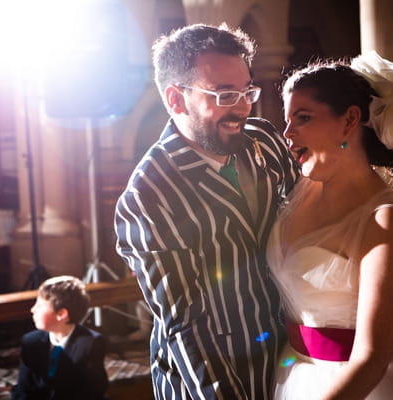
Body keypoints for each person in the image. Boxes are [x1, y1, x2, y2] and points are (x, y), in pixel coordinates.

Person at [266, 51, 393, 399]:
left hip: (367, 384)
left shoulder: (387, 221)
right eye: (287, 120)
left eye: (302, 118)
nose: (287, 133)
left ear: (349, 120)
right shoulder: (300, 189)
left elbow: (372, 359)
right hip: (295, 372)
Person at [114, 23, 298, 399]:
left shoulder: (262, 138)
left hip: (289, 356)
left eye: (247, 90)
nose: (244, 107)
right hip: (213, 375)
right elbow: (185, 325)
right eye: (225, 94)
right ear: (176, 100)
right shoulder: (148, 195)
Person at [12, 275, 109, 400]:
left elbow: (94, 391)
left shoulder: (91, 343)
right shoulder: (30, 342)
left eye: (40, 306)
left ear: (61, 314)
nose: (32, 309)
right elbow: (24, 388)